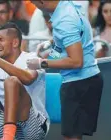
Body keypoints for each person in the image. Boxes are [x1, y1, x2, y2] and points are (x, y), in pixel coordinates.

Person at [27, 1, 103, 140]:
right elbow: (68, 42)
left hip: (79, 83)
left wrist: (41, 63)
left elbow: (76, 61)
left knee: (71, 138)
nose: (36, 7)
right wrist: (51, 46)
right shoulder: (66, 5)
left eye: (34, 2)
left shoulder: (64, 20)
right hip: (85, 80)